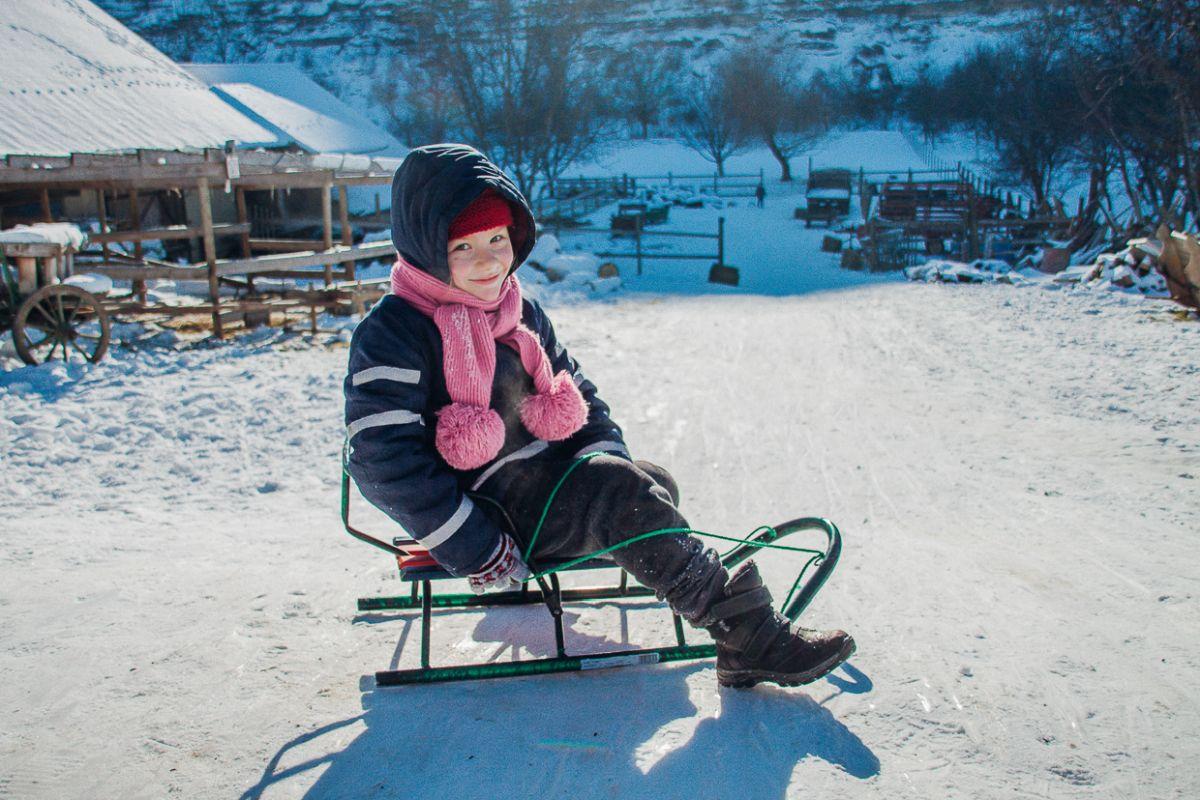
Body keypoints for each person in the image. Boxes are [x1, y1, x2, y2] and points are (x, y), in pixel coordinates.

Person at [343, 143, 855, 688]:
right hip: (491, 513)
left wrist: (603, 458)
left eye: (497, 239)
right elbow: (379, 458)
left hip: (541, 485)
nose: (491, 260)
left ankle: (647, 539)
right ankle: (747, 635)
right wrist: (474, 543)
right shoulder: (396, 333)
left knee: (648, 483)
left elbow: (576, 392)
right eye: (464, 246)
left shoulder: (517, 310)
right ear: (424, 249)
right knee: (620, 496)